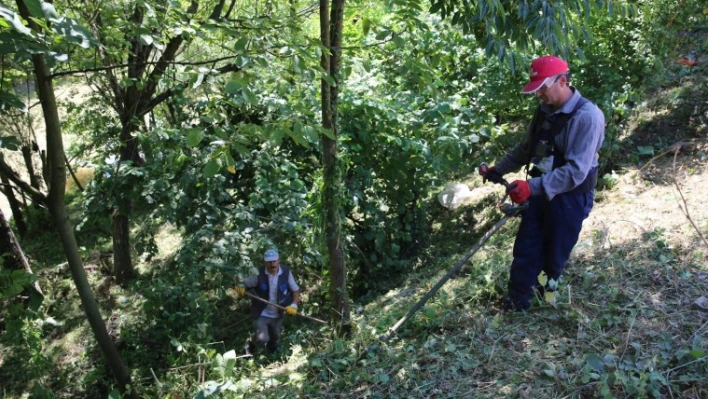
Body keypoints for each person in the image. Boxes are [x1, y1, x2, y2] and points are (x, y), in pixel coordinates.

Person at [479, 55, 605, 311]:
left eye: (543, 88)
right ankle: (517, 303)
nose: (539, 95)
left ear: (562, 81)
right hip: (539, 192)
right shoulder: (544, 111)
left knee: (554, 254)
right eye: (536, 90)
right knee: (526, 247)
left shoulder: (587, 117)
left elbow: (575, 172)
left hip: (570, 198)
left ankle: (546, 300)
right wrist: (498, 169)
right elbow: (527, 148)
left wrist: (531, 187)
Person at [234, 249, 301, 354]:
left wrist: (294, 305)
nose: (272, 264)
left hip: (278, 312)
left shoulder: (286, 272)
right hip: (261, 312)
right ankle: (250, 346)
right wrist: (241, 286)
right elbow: (245, 283)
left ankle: (271, 353)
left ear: (278, 260)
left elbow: (296, 291)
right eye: (269, 261)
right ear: (265, 262)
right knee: (262, 338)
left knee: (275, 337)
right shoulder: (258, 273)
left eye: (274, 261)